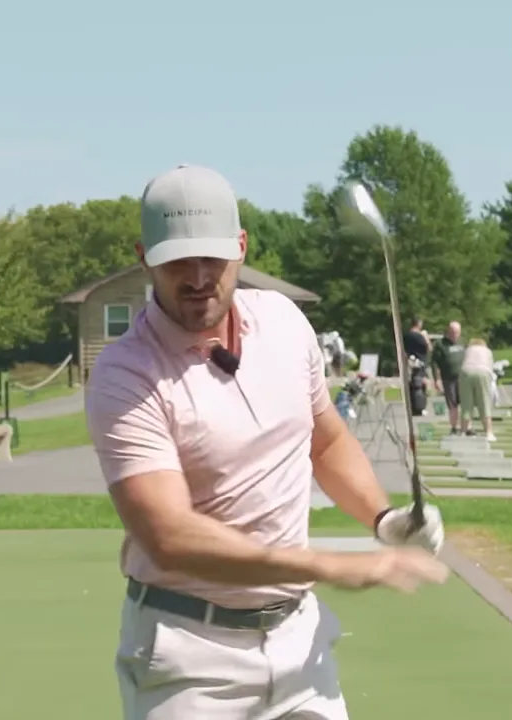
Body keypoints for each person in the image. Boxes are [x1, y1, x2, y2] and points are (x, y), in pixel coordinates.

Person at [85, 164, 448, 720]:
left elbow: (324, 442)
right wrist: (324, 565)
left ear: (242, 247)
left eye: (214, 256)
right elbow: (168, 535)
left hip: (298, 643)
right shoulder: (125, 375)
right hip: (189, 656)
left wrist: (382, 517)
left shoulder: (283, 321)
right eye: (178, 259)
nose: (200, 276)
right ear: (144, 256)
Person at [459, 339, 496, 441]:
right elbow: (491, 367)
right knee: (484, 402)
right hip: (483, 371)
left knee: (466, 404)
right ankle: (489, 432)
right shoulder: (487, 351)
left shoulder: (467, 350)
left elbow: (463, 362)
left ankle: (463, 431)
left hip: (466, 372)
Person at [430, 321, 465, 431]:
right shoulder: (441, 344)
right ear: (448, 332)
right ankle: (454, 427)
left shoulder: (463, 342)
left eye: (457, 332)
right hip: (448, 378)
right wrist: (437, 379)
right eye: (453, 332)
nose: (455, 334)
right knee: (452, 404)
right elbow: (435, 363)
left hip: (463, 378)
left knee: (466, 403)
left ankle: (466, 427)